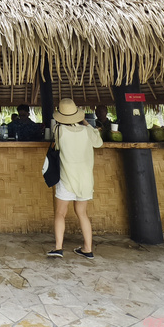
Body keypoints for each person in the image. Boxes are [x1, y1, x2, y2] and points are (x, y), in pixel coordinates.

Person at [47, 98, 103, 260]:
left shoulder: (59, 130)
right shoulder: (87, 131)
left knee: (60, 213)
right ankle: (87, 248)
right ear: (77, 115)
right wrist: (85, 123)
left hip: (66, 178)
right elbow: (98, 143)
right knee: (82, 213)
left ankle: (58, 248)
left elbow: (57, 147)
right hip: (85, 179)